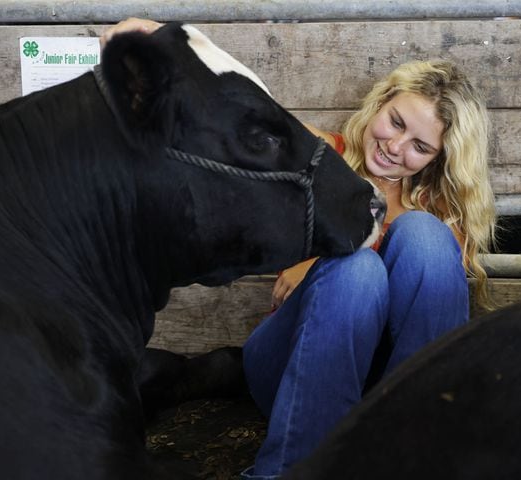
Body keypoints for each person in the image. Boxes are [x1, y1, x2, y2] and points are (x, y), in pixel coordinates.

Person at [101, 18, 497, 479]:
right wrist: (169, 39)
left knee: (422, 236)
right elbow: (238, 113)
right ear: (381, 101)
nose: (395, 146)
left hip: (389, 387)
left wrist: (314, 262)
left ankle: (412, 455)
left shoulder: (438, 210)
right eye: (395, 122)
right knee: (357, 270)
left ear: (438, 159)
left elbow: (431, 309)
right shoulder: (316, 154)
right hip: (296, 364)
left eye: (420, 146)